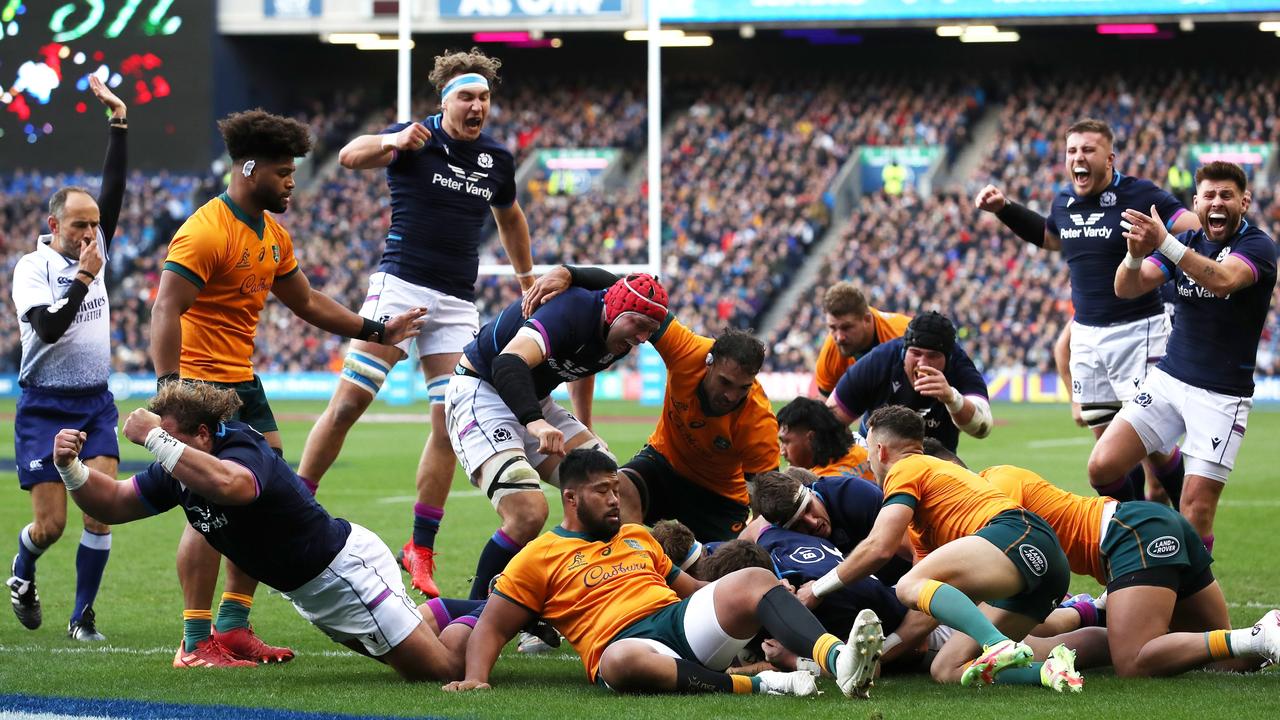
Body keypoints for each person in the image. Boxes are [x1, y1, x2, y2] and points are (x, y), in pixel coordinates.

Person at [150, 109, 424, 668]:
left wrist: (376, 329)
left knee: (265, 500)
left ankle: (234, 624)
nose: (291, 182)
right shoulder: (205, 231)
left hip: (242, 386)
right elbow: (165, 307)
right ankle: (195, 641)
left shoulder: (272, 233)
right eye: (282, 172)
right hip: (199, 386)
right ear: (249, 169)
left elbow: (307, 303)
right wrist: (169, 391)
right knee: (211, 511)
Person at [297, 48, 535, 599]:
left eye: (484, 98)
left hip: (455, 302)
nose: (477, 106)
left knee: (448, 424)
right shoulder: (414, 138)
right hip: (400, 285)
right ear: (444, 101)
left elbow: (511, 217)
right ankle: (299, 502)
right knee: (349, 403)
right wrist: (393, 142)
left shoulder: (496, 158)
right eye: (466, 97)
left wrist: (526, 280)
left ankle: (420, 548)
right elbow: (350, 156)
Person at [49, 383, 467, 680]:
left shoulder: (243, 444)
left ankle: (510, 607)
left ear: (203, 434)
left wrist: (155, 439)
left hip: (344, 574)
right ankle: (499, 607)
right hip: (313, 594)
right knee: (424, 645)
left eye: (170, 439)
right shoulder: (177, 471)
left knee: (440, 670)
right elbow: (113, 503)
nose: (163, 451)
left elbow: (236, 487)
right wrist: (71, 468)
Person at [441, 448, 881, 699]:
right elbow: (493, 626)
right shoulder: (538, 555)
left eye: (617, 489)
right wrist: (476, 678)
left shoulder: (637, 535)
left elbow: (694, 590)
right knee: (618, 661)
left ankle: (841, 661)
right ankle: (757, 682)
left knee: (752, 578)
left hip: (679, 622)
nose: (615, 500)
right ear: (571, 499)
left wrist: (763, 594)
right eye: (602, 492)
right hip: (627, 646)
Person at [975, 118, 1194, 503]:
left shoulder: (1140, 194)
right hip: (1088, 338)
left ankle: (1191, 520)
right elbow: (1049, 237)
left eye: (1088, 150)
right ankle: (1136, 533)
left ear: (1109, 158)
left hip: (1137, 331)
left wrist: (1198, 246)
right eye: (1072, 150)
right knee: (1109, 456)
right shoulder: (1064, 201)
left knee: (1154, 446)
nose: (1078, 157)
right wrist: (1004, 209)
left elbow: (1187, 225)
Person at [800, 406, 1082, 691]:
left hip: (1017, 534)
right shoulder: (928, 513)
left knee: (906, 585)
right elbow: (923, 611)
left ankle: (997, 644)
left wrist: (816, 589)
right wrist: (873, 657)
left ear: (881, 450)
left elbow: (879, 547)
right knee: (947, 668)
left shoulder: (905, 467)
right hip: (1047, 568)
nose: (869, 460)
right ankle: (1049, 670)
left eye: (869, 451)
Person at [948, 451, 1280, 677]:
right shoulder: (992, 487)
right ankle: (1262, 635)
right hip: (1146, 527)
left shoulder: (991, 492)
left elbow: (1017, 598)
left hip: (1130, 537)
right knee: (1229, 661)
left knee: (1134, 662)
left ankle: (1258, 635)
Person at [446, 272, 667, 601]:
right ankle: (474, 615)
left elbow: (583, 366)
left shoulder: (618, 330)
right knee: (527, 511)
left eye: (649, 330)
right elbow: (508, 362)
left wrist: (586, 427)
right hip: (483, 389)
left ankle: (592, 600)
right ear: (617, 309)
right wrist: (534, 423)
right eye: (638, 324)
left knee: (610, 485)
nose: (642, 338)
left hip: (532, 398)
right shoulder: (569, 311)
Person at [1092, 161, 1277, 551]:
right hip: (1168, 380)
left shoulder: (1257, 246)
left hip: (1221, 396)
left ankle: (1188, 602)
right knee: (1102, 466)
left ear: (1244, 201)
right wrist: (1134, 255)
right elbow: (1128, 288)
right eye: (1209, 195)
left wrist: (1166, 244)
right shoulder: (1188, 242)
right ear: (1197, 202)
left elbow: (1224, 281)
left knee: (1195, 511)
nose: (1217, 202)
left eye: (1227, 195)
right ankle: (1139, 543)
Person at [521, 265, 780, 541]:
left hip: (720, 498)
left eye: (742, 388)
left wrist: (751, 541)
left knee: (718, 572)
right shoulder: (687, 349)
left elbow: (767, 500)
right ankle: (628, 571)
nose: (731, 395)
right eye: (725, 382)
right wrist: (570, 274)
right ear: (708, 363)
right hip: (663, 462)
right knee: (616, 492)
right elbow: (632, 292)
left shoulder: (758, 420)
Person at [7, 77, 127, 642]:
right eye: (80, 224)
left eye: (95, 224)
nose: (90, 233)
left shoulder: (98, 248)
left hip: (95, 404)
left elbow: (115, 188)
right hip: (44, 405)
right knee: (50, 526)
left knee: (101, 511)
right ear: (54, 226)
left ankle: (83, 617)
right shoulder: (31, 269)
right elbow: (50, 328)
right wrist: (83, 278)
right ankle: (23, 568)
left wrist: (119, 123)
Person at [827, 311, 991, 452]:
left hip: (936, 463)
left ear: (947, 358)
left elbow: (982, 428)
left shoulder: (959, 366)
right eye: (916, 353)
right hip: (876, 461)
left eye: (933, 356)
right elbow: (828, 421)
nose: (923, 363)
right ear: (904, 351)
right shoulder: (881, 360)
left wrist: (952, 398)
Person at [748, 469, 911, 585]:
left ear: (811, 491)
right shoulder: (774, 535)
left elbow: (908, 551)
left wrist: (818, 589)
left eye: (809, 508)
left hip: (909, 576)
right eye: (798, 524)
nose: (812, 522)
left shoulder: (855, 494)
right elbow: (745, 539)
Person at [812, 283, 909, 398]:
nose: (839, 337)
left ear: (867, 319)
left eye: (846, 327)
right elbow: (825, 406)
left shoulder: (902, 336)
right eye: (832, 328)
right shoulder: (830, 352)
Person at [776, 397, 872, 481]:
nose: (782, 451)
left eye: (786, 442)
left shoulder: (820, 487)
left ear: (811, 438)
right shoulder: (861, 453)